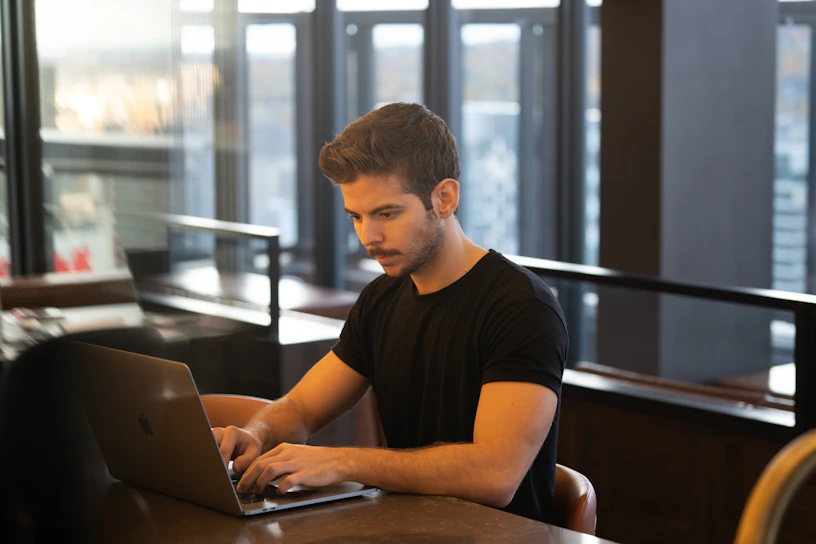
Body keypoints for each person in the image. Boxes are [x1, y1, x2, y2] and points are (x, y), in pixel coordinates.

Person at [214, 102, 568, 523]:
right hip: (406, 528)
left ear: (445, 198)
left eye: (386, 213)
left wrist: (344, 462)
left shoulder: (522, 307)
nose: (369, 236)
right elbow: (301, 409)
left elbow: (495, 474)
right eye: (356, 217)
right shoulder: (381, 299)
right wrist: (256, 434)